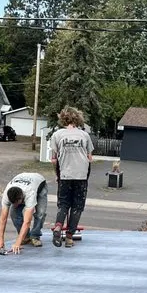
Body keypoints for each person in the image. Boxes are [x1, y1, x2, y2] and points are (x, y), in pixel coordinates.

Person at [49, 106, 94, 248]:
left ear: (62, 118)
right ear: (78, 119)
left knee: (63, 204)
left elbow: (54, 159)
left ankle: (57, 227)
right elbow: (90, 157)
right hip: (81, 175)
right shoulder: (84, 135)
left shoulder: (57, 135)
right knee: (77, 206)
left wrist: (58, 175)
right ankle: (69, 238)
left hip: (65, 174)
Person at [0, 171, 48, 254]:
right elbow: (3, 219)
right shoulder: (6, 195)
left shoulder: (30, 194)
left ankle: (35, 236)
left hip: (39, 183)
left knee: (40, 213)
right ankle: (25, 237)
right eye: (12, 203)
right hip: (22, 178)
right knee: (14, 213)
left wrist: (17, 243)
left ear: (22, 198)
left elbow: (27, 221)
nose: (14, 205)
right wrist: (0, 241)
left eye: (17, 203)